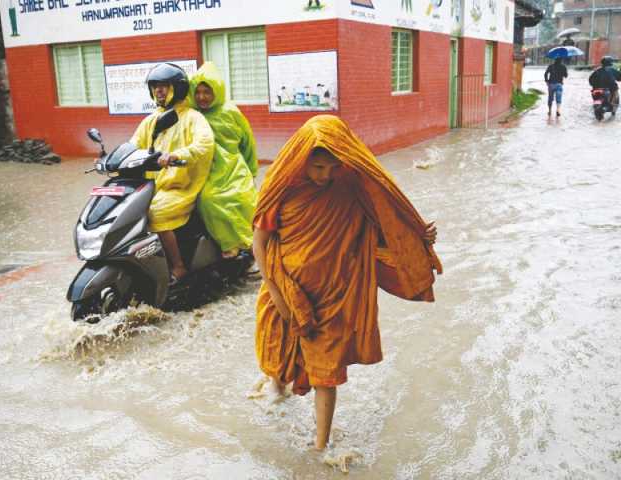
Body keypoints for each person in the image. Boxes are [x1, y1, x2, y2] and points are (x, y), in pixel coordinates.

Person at [252, 115, 442, 450]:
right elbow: (260, 243)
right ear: (302, 160)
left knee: (326, 371)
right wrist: (277, 294)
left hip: (335, 294)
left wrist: (416, 236)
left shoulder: (351, 186)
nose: (325, 176)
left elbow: (382, 224)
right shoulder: (282, 188)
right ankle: (276, 398)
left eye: (331, 168)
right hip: (286, 289)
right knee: (280, 360)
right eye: (318, 168)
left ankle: (320, 446)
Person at [131, 63, 214, 283]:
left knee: (156, 213)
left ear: (177, 88)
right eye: (155, 86)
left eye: (164, 86)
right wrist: (110, 159)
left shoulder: (192, 117)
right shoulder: (150, 120)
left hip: (180, 186)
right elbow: (133, 145)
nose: (158, 91)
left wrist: (176, 155)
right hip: (153, 186)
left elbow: (205, 145)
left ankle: (178, 266)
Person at [188, 62, 259, 258]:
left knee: (243, 198)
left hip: (233, 167)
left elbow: (247, 142)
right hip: (207, 169)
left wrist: (251, 171)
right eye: (198, 91)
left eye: (207, 92)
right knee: (208, 199)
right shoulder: (192, 115)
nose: (202, 97)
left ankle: (252, 244)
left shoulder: (231, 112)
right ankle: (230, 243)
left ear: (217, 91)